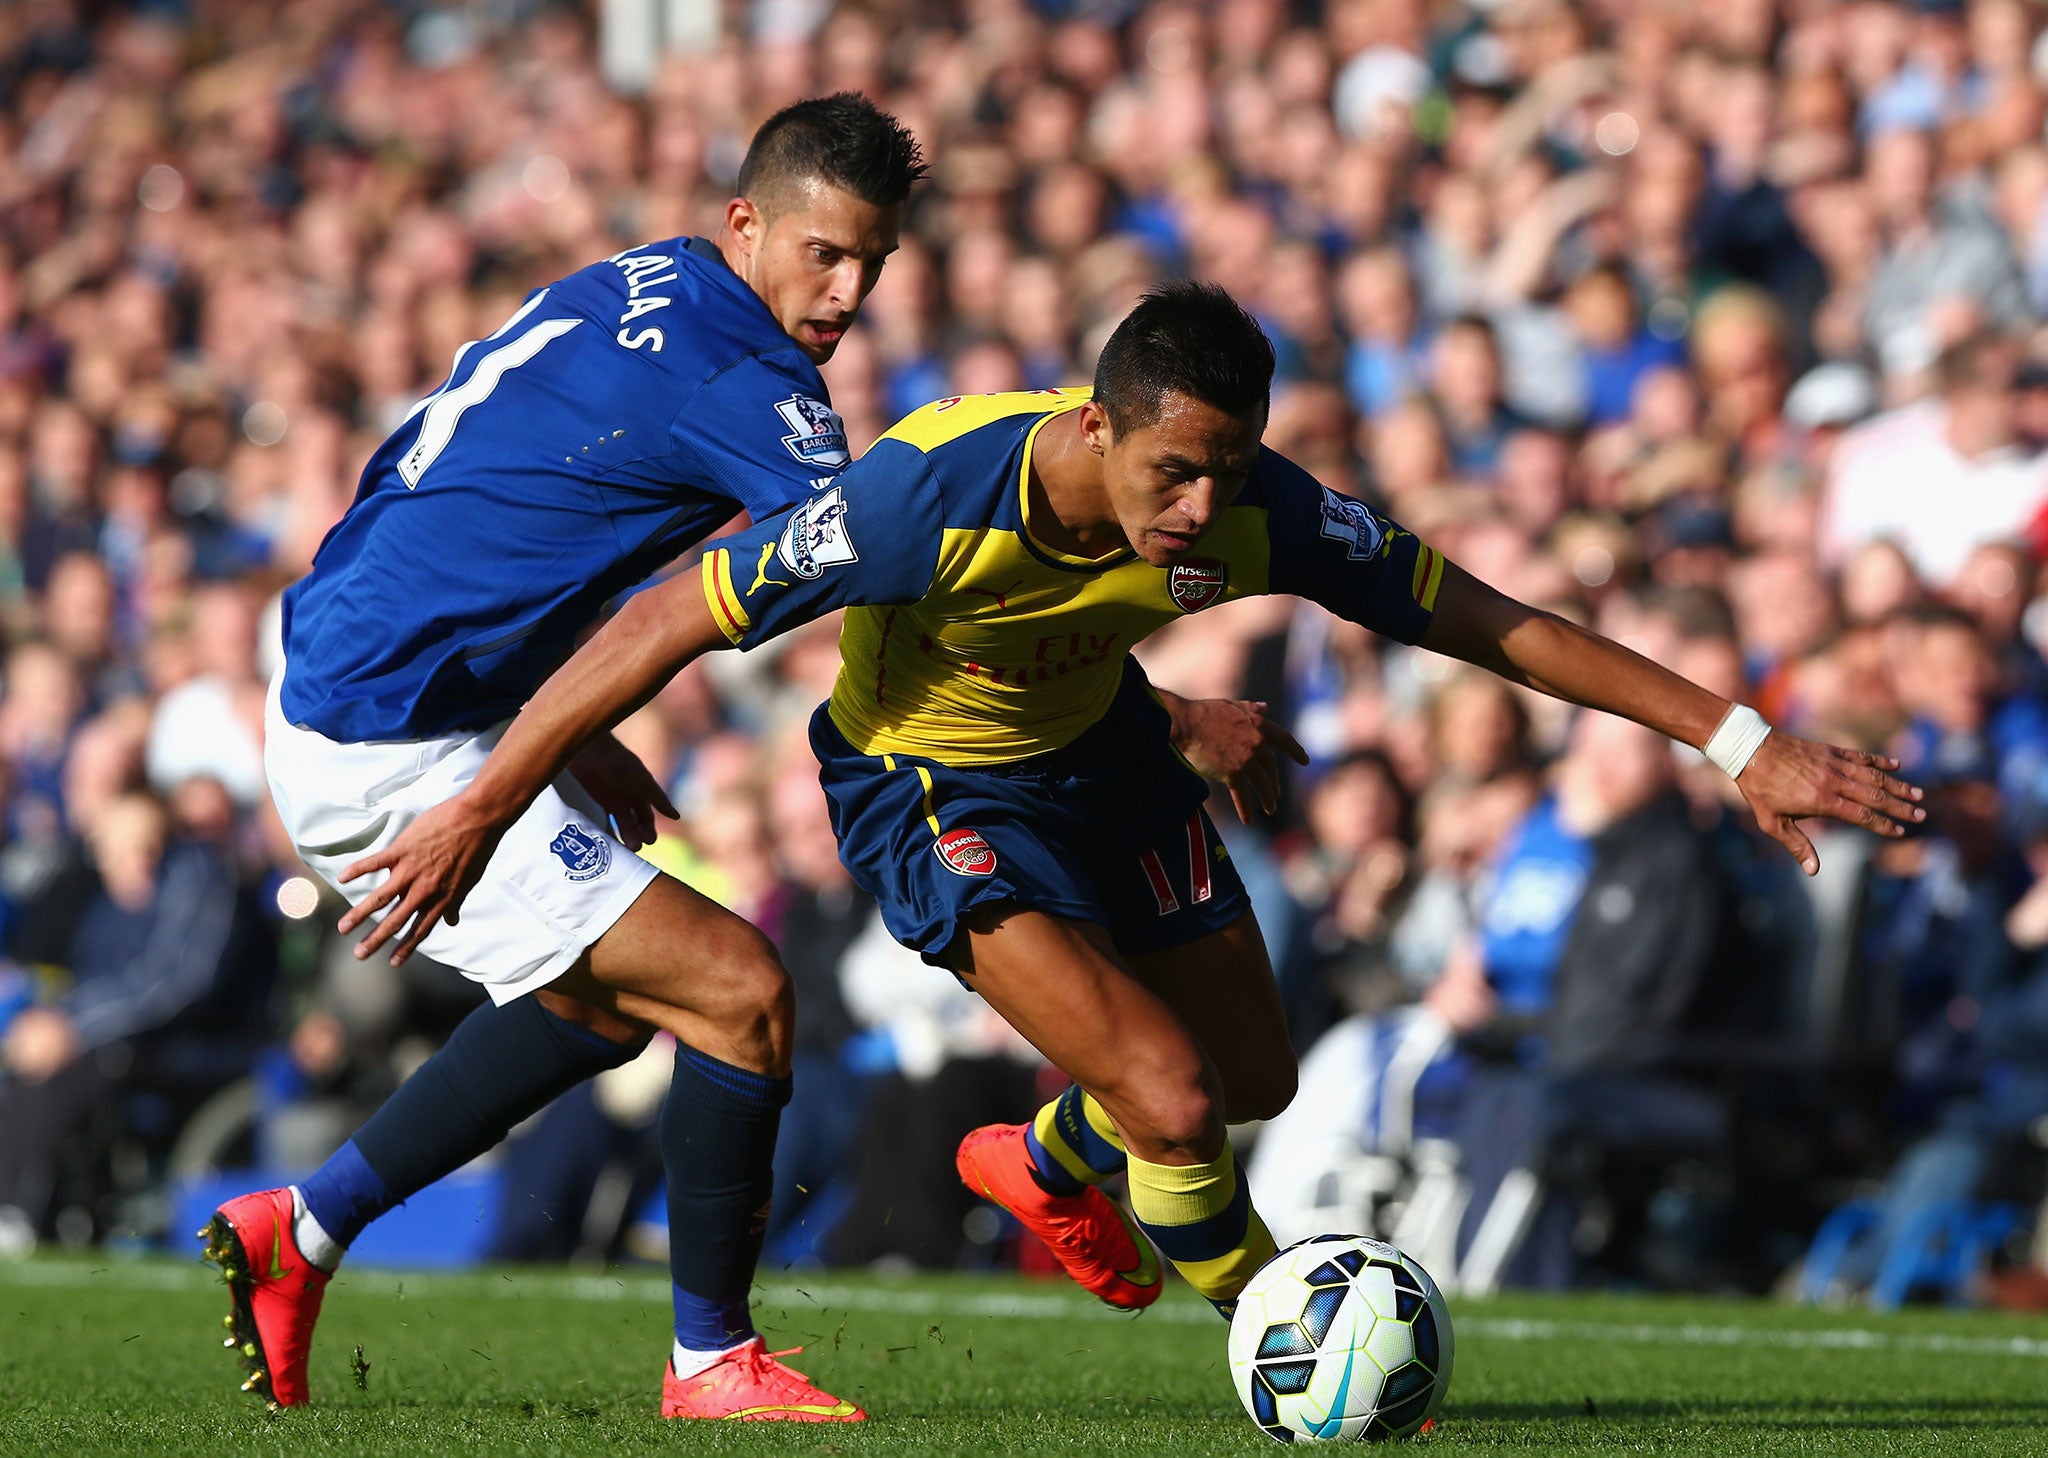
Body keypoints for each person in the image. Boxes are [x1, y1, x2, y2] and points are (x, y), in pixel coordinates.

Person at [336, 282, 1925, 1331]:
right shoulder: (922, 497)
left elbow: (1495, 623)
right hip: (924, 782)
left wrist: (1737, 739)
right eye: (1173, 473)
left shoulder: (1259, 512)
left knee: (1255, 1076)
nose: (1200, 512)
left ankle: (1045, 1158)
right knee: (1172, 1100)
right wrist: (495, 794)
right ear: (1097, 430)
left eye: (1228, 474)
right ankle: (1293, 1343)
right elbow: (672, 615)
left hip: (1103, 758)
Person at [199, 94, 927, 1423]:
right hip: (393, 739)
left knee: (596, 1003)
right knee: (743, 992)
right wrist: (493, 789)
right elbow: (873, 573)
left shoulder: (649, 280)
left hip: (359, 676)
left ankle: (293, 1236)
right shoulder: (749, 382)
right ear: (747, 222)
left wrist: (567, 734)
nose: (850, 290)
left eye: (873, 262)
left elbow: (514, 504)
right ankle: (712, 1363)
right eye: (825, 253)